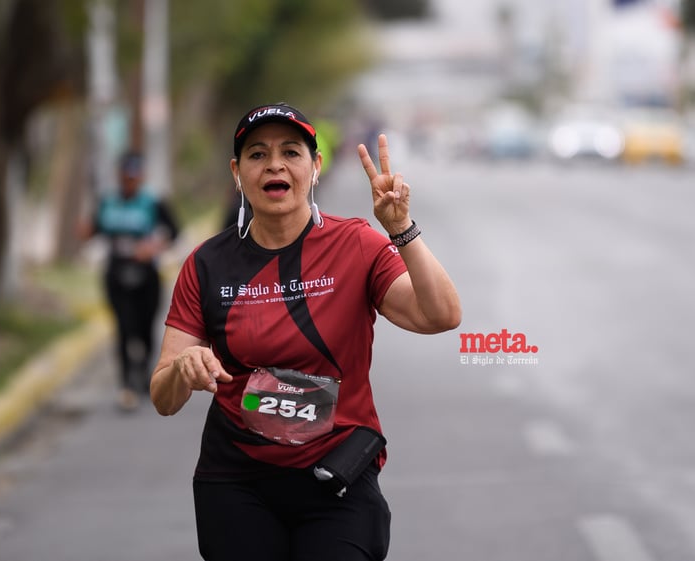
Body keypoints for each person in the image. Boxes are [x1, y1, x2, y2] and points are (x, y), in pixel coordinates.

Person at [149, 103, 461, 561]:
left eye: (291, 152)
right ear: (238, 173)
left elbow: (440, 316)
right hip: (236, 481)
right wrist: (183, 367)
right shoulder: (206, 264)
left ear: (315, 167)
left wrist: (400, 229)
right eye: (257, 154)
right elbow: (163, 397)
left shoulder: (355, 244)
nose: (274, 164)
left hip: (337, 478)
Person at [79, 150, 179, 411]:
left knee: (145, 328)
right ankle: (126, 384)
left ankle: (145, 372)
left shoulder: (153, 202)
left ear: (142, 177)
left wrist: (153, 246)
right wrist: (85, 231)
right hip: (116, 273)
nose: (130, 181)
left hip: (147, 275)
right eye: (126, 176)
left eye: (135, 177)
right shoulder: (107, 202)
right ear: (120, 175)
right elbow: (93, 230)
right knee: (124, 328)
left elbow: (174, 232)